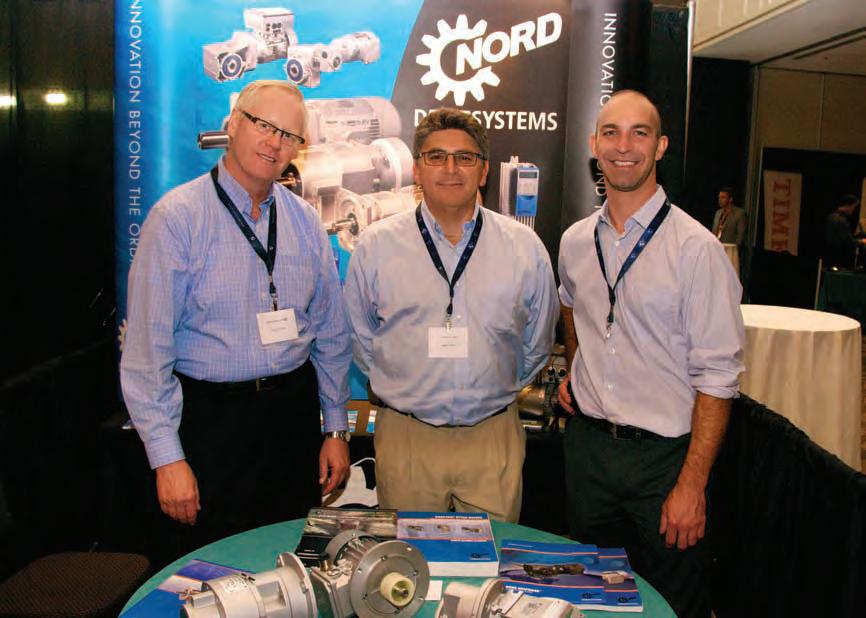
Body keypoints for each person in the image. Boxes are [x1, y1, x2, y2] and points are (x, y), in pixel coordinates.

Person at [120, 80, 352, 562]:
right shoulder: (178, 219)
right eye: (263, 125)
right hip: (211, 425)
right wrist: (168, 458)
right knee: (208, 571)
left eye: (289, 135)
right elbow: (146, 355)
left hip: (290, 419)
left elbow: (331, 333)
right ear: (232, 124)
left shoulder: (304, 221)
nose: (274, 142)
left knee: (286, 566)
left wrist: (334, 430)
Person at [557, 90, 744, 618]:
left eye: (639, 133)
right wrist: (579, 367)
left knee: (671, 604)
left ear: (660, 147)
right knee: (590, 600)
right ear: (593, 145)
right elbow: (571, 306)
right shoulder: (575, 241)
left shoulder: (696, 249)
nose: (624, 146)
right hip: (590, 452)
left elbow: (719, 376)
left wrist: (693, 484)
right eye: (611, 132)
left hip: (664, 463)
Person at [343, 108, 558, 523]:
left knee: (490, 558)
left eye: (465, 157)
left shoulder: (524, 248)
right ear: (416, 169)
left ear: (484, 170)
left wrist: (495, 385)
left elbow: (537, 344)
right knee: (409, 560)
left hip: (492, 436)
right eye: (436, 156)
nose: (450, 168)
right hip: (407, 438)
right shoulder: (376, 247)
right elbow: (362, 341)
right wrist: (405, 386)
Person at [824, 194, 864, 268]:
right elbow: (847, 241)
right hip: (838, 256)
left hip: (831, 254)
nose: (853, 209)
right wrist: (861, 241)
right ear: (848, 205)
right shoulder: (840, 219)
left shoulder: (832, 216)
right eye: (854, 207)